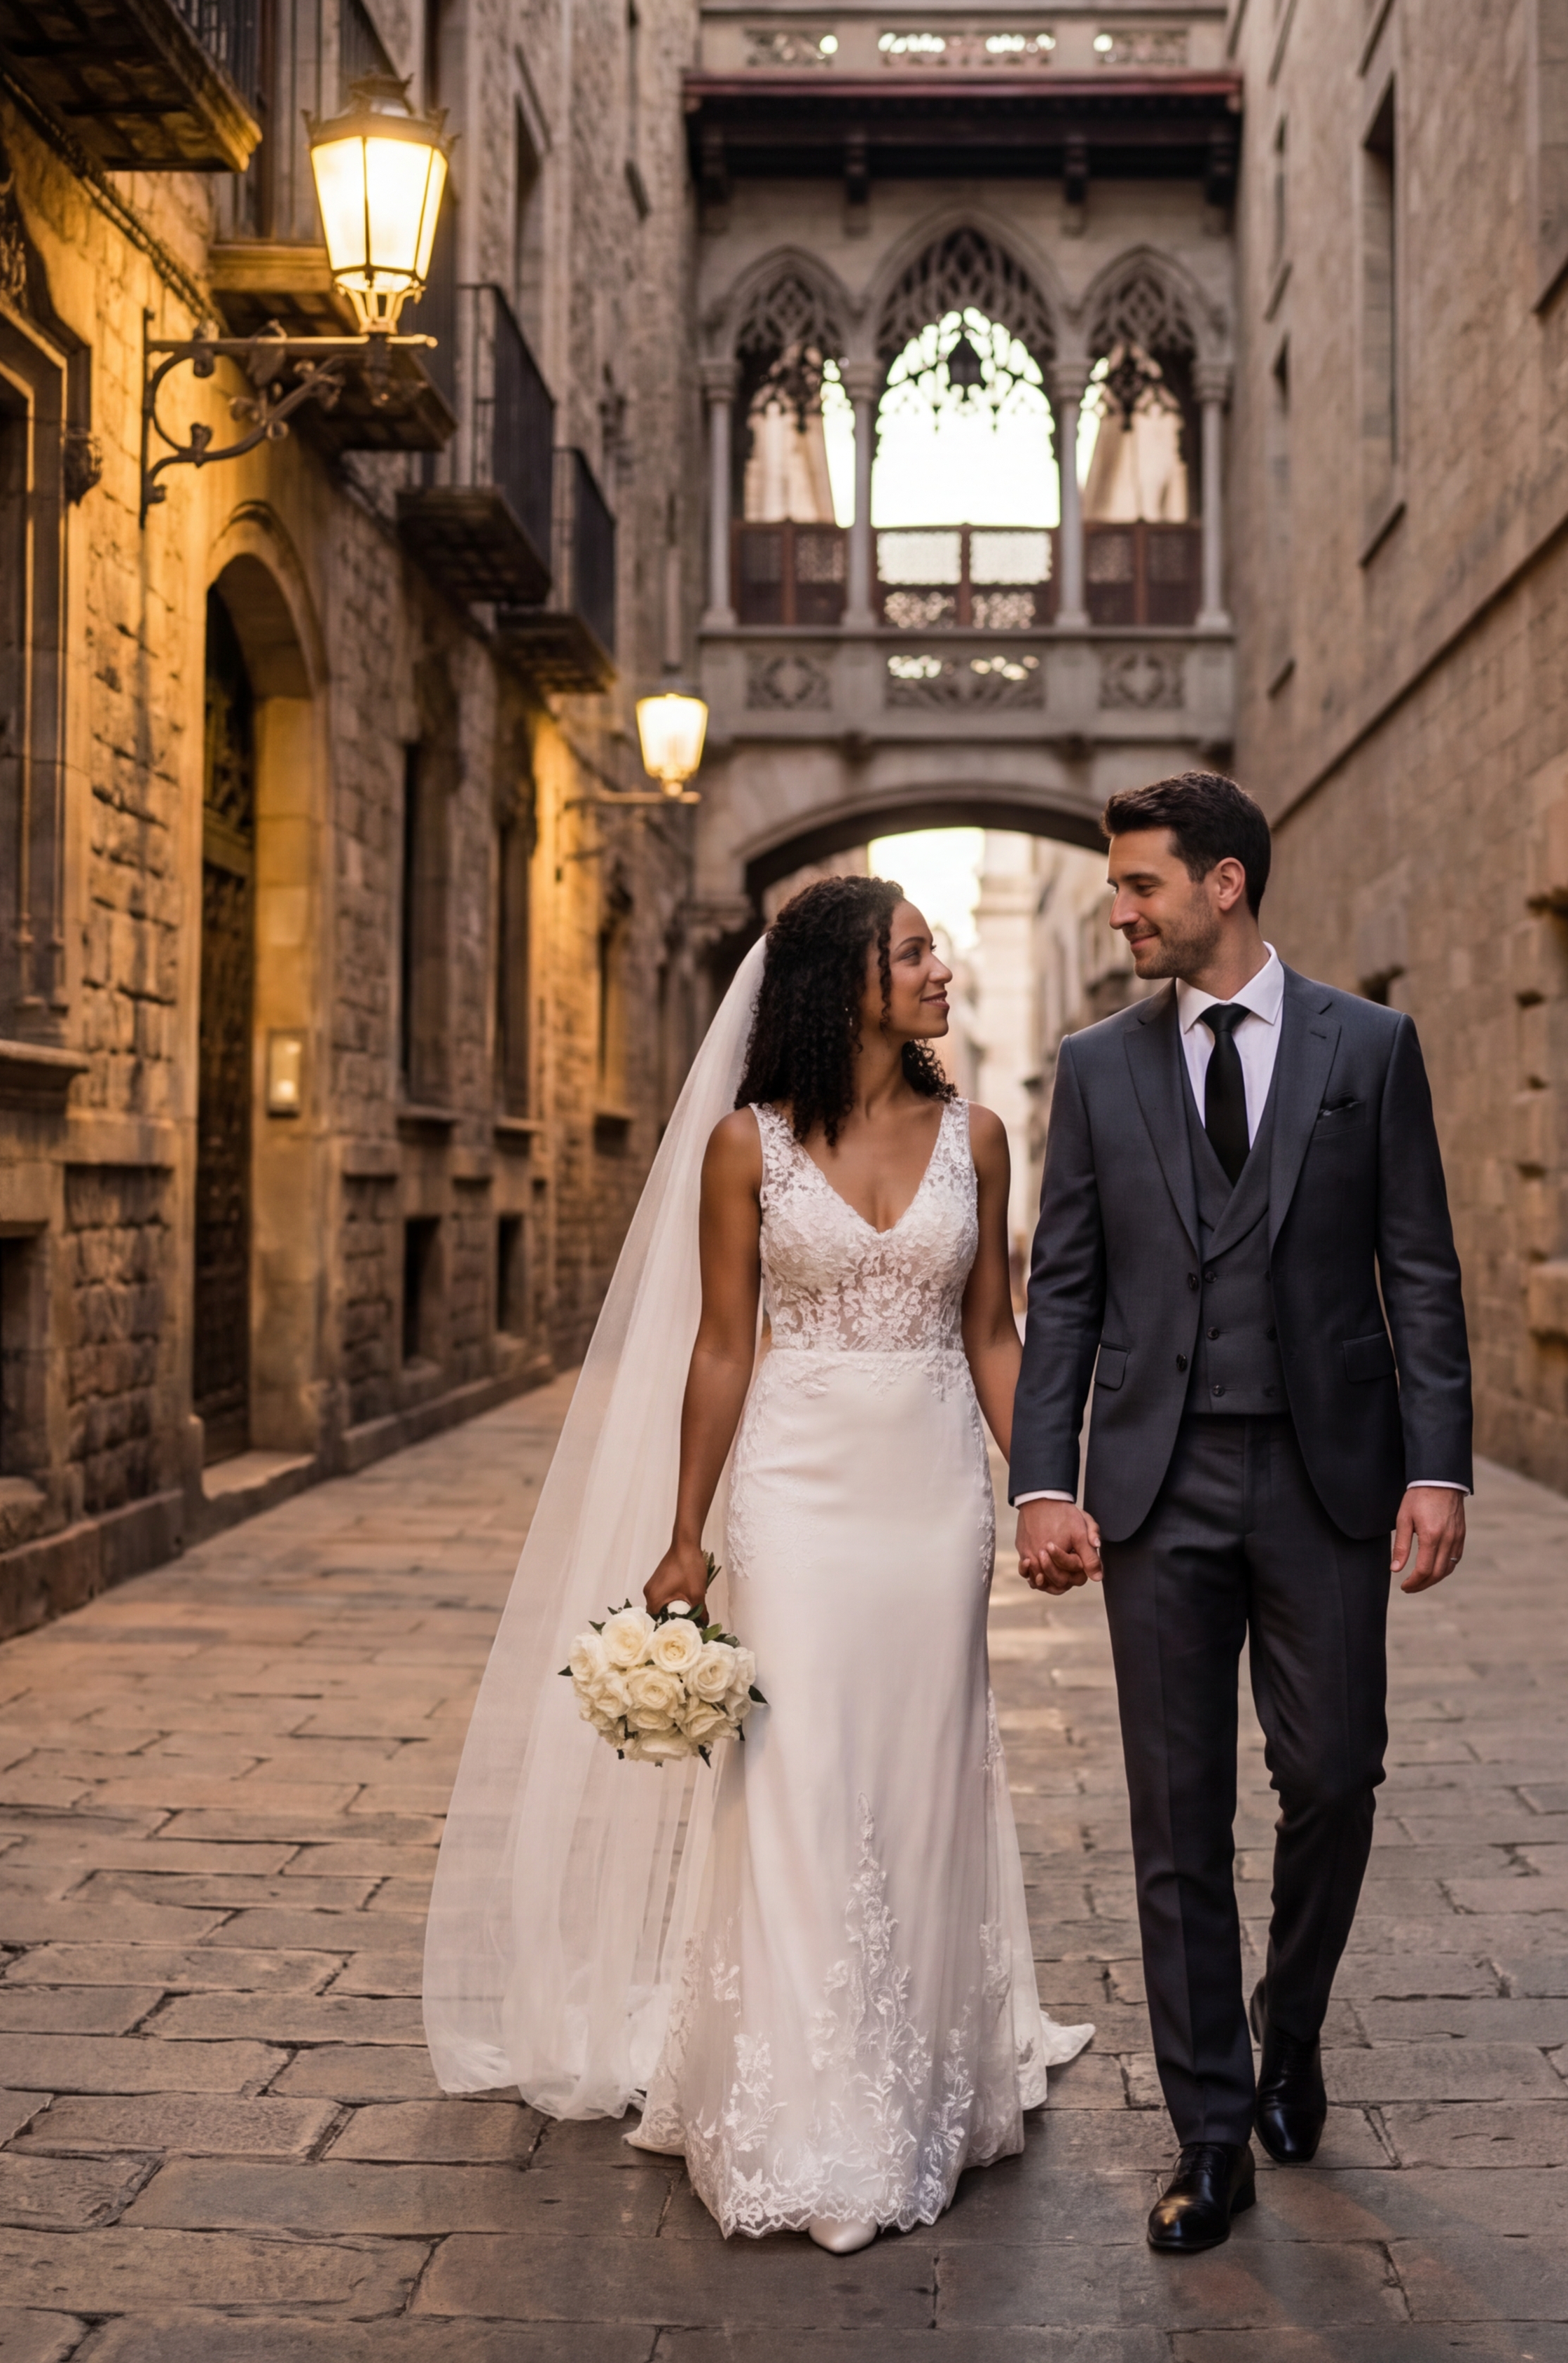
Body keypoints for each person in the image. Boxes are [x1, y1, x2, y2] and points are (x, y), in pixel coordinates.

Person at [422, 876, 1089, 2255]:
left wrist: (1042, 1489)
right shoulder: (746, 1147)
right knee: (797, 1775)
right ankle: (804, 2112)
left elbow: (992, 1333)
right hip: (793, 1493)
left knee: (920, 1773)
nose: (941, 970)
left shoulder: (977, 1137)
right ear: (846, 980)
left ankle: (915, 2080)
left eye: (937, 950)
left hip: (930, 1498)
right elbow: (723, 1344)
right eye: (915, 952)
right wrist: (687, 1531)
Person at [1010, 771, 1473, 2254]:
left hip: (1326, 1474)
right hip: (1154, 1486)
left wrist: (1438, 1464)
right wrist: (1043, 1478)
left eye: (1139, 883)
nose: (1119, 910)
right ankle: (1209, 2130)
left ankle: (1292, 2024)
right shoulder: (1096, 1067)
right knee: (1175, 1815)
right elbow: (1063, 1287)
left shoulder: (1369, 1047)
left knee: (1334, 1774)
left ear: (1223, 884)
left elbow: (1418, 1267)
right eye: (1112, 886)